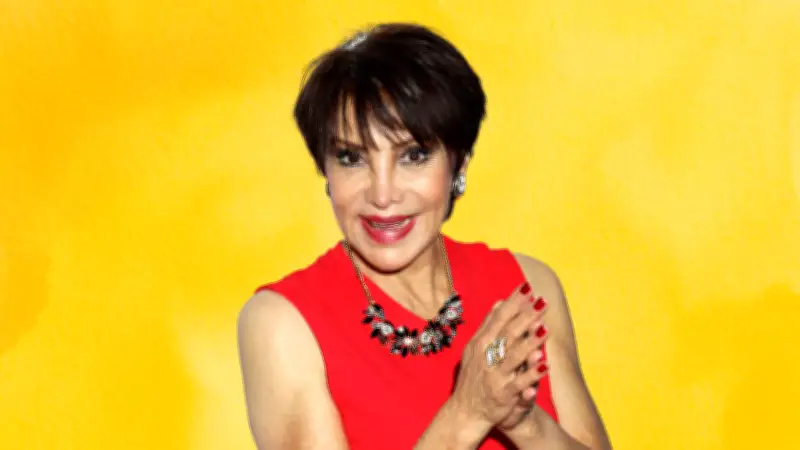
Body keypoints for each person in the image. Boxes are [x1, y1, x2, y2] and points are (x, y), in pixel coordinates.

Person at [237, 22, 611, 450]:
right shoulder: (282, 324)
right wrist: (467, 413)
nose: (382, 195)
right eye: (351, 158)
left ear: (459, 165)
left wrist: (523, 421)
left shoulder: (525, 285)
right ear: (325, 170)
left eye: (413, 156)